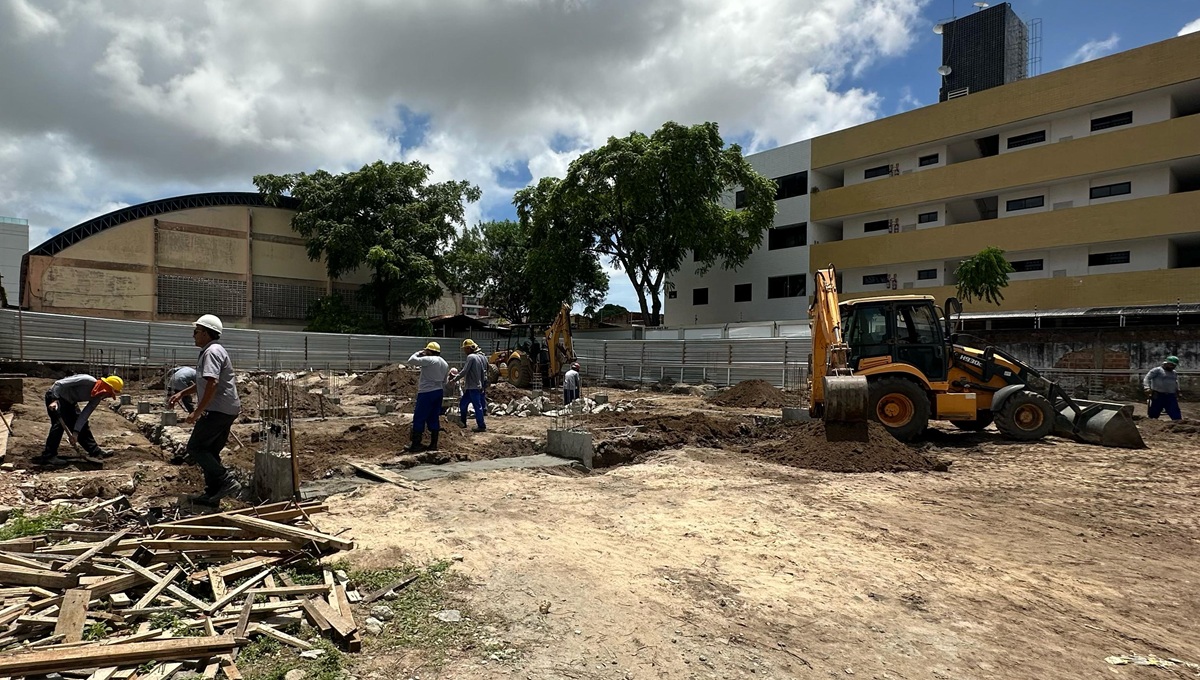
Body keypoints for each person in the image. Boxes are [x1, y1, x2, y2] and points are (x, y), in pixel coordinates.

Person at [169, 314, 242, 505]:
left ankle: (227, 480)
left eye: (196, 332)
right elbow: (202, 382)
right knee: (210, 451)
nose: (193, 335)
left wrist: (197, 412)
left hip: (217, 410)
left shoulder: (212, 352)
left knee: (196, 447)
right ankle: (212, 494)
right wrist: (182, 393)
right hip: (226, 409)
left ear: (207, 334)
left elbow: (212, 383)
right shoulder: (211, 351)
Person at [36, 374, 123, 466]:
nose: (107, 396)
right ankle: (49, 456)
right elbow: (59, 384)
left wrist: (75, 433)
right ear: (105, 388)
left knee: (83, 425)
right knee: (59, 425)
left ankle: (95, 452)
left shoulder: (96, 398)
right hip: (56, 396)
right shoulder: (87, 380)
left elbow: (84, 416)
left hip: (70, 402)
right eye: (109, 393)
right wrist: (54, 400)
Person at [406, 341, 450, 452]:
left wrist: (419, 352)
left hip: (426, 392)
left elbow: (411, 360)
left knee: (419, 417)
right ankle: (433, 444)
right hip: (438, 392)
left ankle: (416, 444)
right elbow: (445, 380)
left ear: (430, 351)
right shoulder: (445, 363)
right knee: (434, 417)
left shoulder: (430, 360)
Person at [451, 339, 488, 432]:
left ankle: (481, 425)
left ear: (468, 348)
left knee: (477, 406)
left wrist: (454, 379)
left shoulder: (471, 357)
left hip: (473, 387)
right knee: (463, 404)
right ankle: (463, 422)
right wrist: (482, 385)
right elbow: (483, 372)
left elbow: (464, 371)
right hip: (473, 387)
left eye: (465, 349)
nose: (464, 351)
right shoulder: (479, 357)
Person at [1144, 355, 1182, 421]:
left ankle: (1178, 424)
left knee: (1175, 413)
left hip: (1170, 396)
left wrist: (1178, 390)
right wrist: (1147, 387)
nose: (1172, 367)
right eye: (1171, 365)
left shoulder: (1174, 373)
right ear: (1166, 363)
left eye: (1174, 366)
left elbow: (1176, 382)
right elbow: (1147, 378)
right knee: (1154, 414)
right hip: (1158, 395)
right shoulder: (1157, 370)